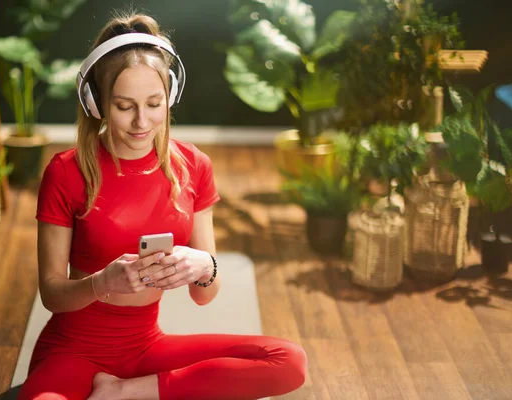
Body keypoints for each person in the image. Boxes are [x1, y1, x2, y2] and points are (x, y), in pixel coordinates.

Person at [18, 11, 308, 400]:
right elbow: (52, 293)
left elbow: (205, 294)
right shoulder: (66, 172)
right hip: (75, 349)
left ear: (170, 94)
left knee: (287, 360)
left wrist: (205, 266)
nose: (142, 121)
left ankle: (127, 393)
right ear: (96, 103)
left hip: (146, 350)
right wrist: (101, 283)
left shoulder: (194, 166)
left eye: (154, 103)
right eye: (124, 106)